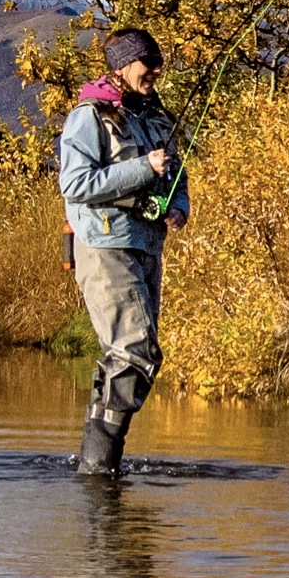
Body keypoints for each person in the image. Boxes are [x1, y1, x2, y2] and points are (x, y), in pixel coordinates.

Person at [58, 26, 190, 475]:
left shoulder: (156, 118)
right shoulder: (89, 117)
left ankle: (97, 466)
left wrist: (179, 207)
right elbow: (76, 184)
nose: (157, 70)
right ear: (123, 64)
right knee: (136, 351)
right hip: (103, 243)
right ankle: (99, 466)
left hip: (147, 244)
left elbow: (177, 176)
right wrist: (142, 168)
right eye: (148, 62)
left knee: (130, 355)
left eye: (159, 63)